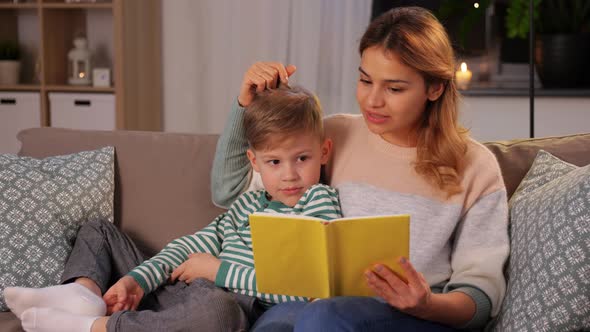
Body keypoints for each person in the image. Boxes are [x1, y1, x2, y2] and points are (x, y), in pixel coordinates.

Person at [210, 6, 509, 332]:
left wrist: (427, 304)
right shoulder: (334, 135)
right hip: (319, 308)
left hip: (417, 319)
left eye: (394, 88)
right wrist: (244, 105)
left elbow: (480, 300)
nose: (372, 101)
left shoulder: (475, 167)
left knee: (321, 318)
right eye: (365, 80)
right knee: (276, 323)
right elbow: (229, 193)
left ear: (434, 88)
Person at [5, 86, 341, 332]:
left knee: (219, 313)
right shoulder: (248, 204)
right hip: (186, 293)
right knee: (98, 229)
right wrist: (137, 281)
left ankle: (94, 327)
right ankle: (84, 293)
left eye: (302, 158)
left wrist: (217, 271)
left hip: (230, 307)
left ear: (323, 152)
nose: (290, 174)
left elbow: (307, 285)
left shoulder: (319, 204)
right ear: (254, 162)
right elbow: (193, 246)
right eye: (274, 162)